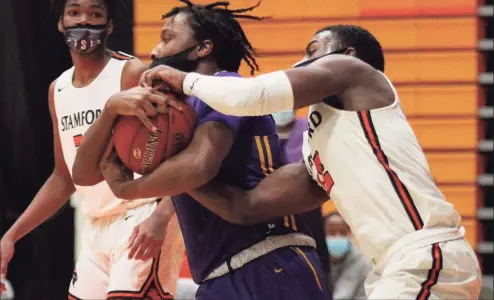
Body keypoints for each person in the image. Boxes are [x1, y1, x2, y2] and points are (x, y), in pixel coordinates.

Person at [141, 24, 483, 299]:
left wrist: (183, 79)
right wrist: (170, 167)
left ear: (347, 55)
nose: (299, 63)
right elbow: (246, 207)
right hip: (394, 267)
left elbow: (250, 96)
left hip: (425, 253)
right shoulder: (318, 149)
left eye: (313, 51)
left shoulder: (353, 73)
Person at [75, 0, 331, 300]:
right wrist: (111, 110)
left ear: (203, 48)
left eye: (167, 39)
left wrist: (128, 189)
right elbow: (84, 174)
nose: (155, 51)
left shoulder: (227, 86)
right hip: (216, 276)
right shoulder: (170, 111)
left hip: (269, 262)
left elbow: (199, 166)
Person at [0, 0, 184, 299]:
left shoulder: (128, 73)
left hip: (140, 216)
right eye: (74, 13)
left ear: (109, 25)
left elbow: (179, 153)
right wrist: (11, 237)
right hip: (95, 226)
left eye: (95, 14)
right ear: (61, 22)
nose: (84, 20)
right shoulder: (57, 90)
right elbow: (63, 177)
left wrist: (162, 217)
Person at [272, 110, 331, 283]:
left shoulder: (308, 127)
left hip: (307, 210)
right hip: (270, 211)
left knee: (317, 265)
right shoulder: (260, 132)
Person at [324, 212, 370, 299]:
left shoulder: (359, 260)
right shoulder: (319, 257)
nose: (338, 237)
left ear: (349, 233)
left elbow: (343, 296)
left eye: (342, 232)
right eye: (332, 233)